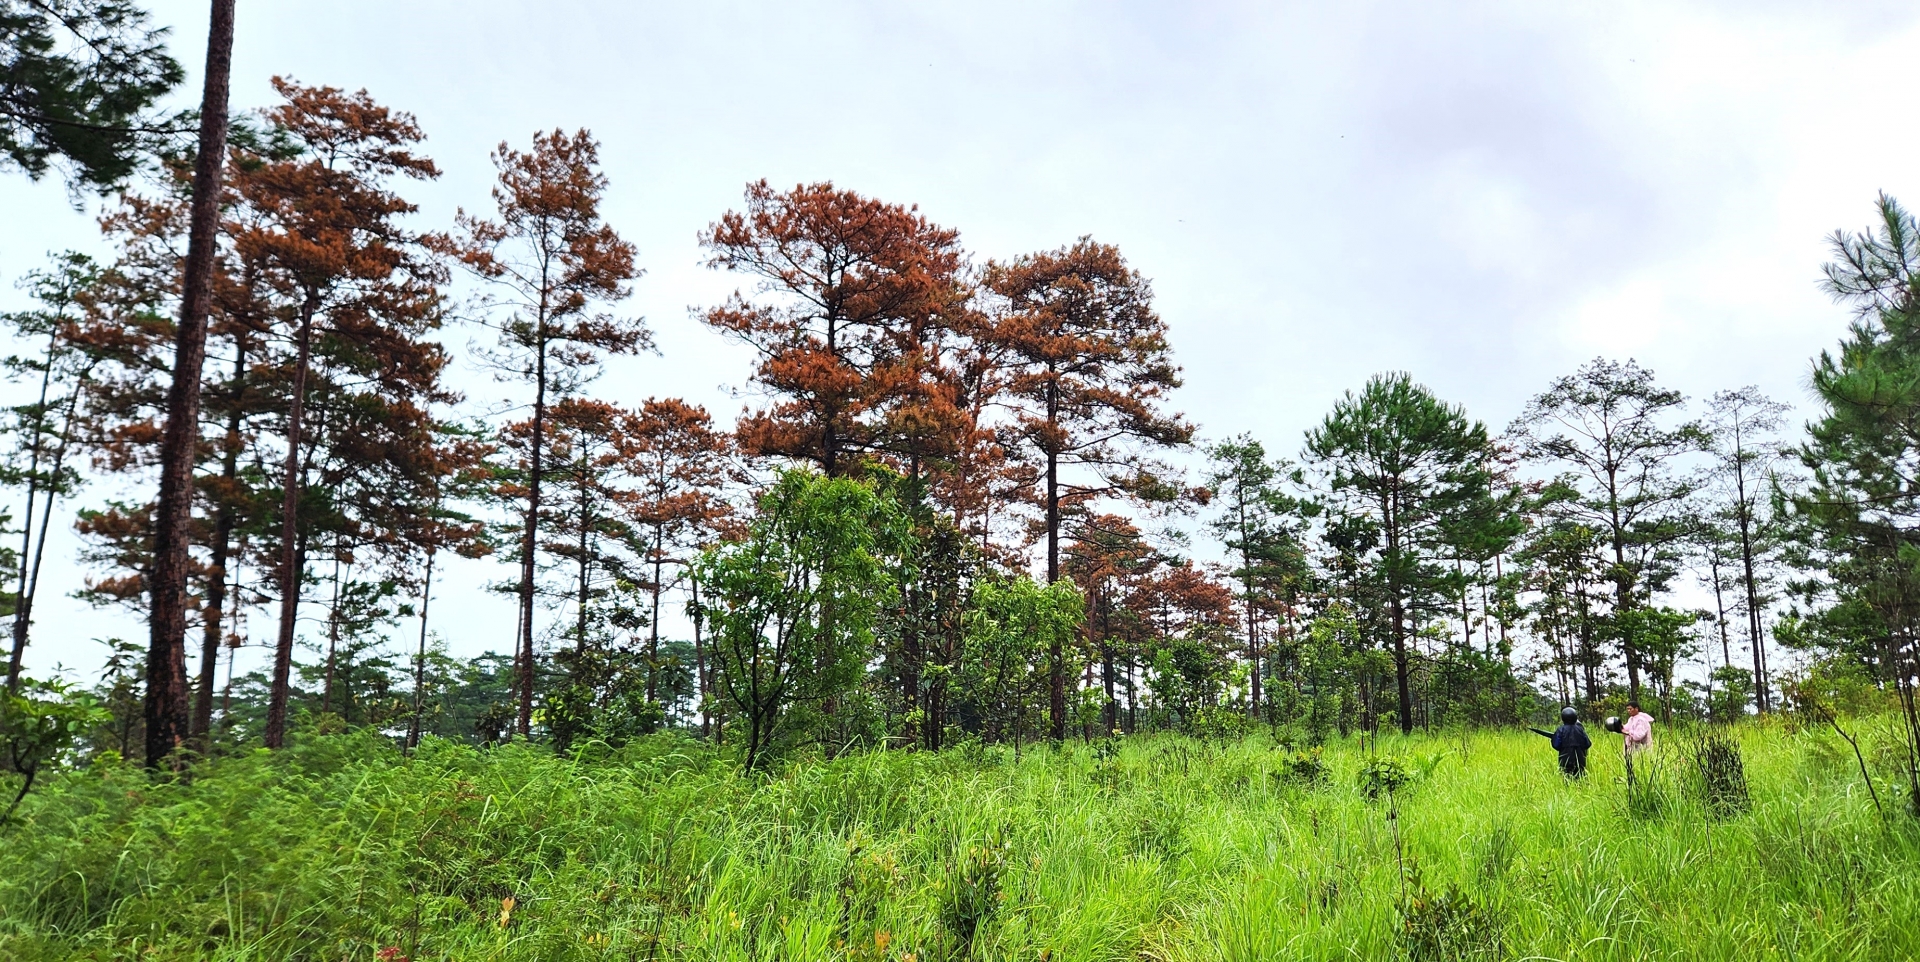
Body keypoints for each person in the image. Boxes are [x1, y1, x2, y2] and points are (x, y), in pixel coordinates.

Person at [1550, 706, 1591, 777]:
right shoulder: (1580, 730)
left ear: (1563, 718)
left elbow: (1556, 745)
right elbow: (1588, 744)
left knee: (1567, 780)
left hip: (1565, 760)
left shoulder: (1560, 730)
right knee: (1580, 779)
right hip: (1580, 760)